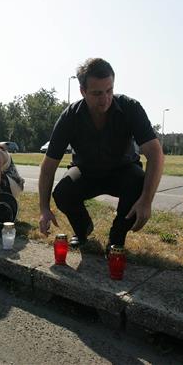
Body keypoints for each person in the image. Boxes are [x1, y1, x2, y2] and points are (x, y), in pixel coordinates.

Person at [38, 58, 164, 251]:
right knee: (63, 192)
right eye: (97, 93)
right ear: (82, 91)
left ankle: (116, 239)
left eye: (109, 90)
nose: (105, 99)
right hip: (86, 172)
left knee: (138, 181)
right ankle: (82, 229)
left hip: (123, 171)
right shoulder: (70, 117)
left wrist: (146, 201)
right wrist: (44, 209)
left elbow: (156, 155)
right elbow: (48, 167)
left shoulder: (130, 108)